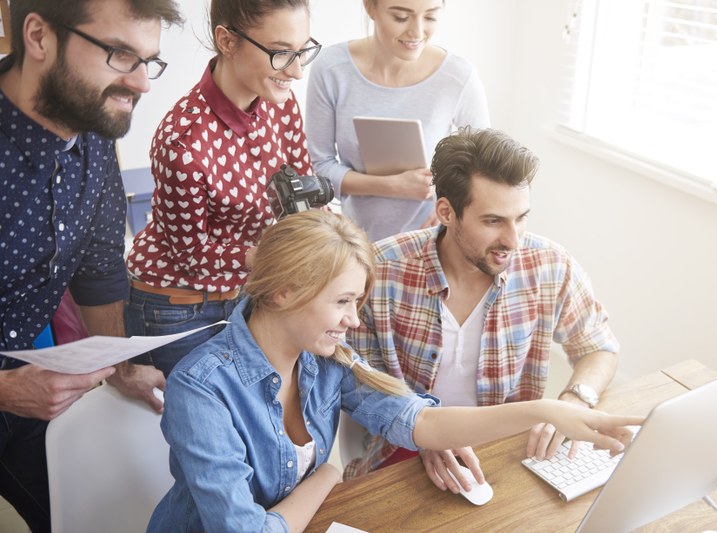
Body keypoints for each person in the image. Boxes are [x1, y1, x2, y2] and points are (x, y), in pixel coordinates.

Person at [147, 209, 642, 532]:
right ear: (282, 293)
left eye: (357, 301)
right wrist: (326, 476)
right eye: (342, 301)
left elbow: (421, 423)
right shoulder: (201, 389)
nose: (353, 320)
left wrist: (547, 409)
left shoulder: (324, 361)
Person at [345, 127, 621, 493]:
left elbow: (598, 346)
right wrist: (423, 431)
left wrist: (576, 399)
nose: (513, 240)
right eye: (493, 221)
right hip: (405, 448)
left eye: (521, 217)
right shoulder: (381, 269)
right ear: (446, 211)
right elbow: (354, 378)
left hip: (510, 449)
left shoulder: (550, 266)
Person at [0, 0, 183, 531]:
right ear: (39, 37)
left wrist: (122, 366)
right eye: (121, 55)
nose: (144, 83)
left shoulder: (93, 128)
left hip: (27, 377)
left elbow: (99, 267)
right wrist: (6, 391)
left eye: (149, 60)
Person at [126, 0, 322, 376]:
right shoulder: (182, 142)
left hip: (247, 291)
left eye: (302, 51)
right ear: (228, 42)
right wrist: (280, 255)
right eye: (281, 53)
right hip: (178, 307)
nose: (297, 71)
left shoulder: (281, 103)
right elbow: (193, 255)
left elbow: (304, 195)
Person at [305, 0, 490, 242]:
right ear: (370, 7)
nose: (417, 32)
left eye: (431, 17)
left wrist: (454, 205)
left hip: (432, 241)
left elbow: (484, 168)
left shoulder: (458, 77)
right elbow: (318, 168)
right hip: (354, 242)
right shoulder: (331, 69)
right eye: (401, 17)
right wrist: (393, 185)